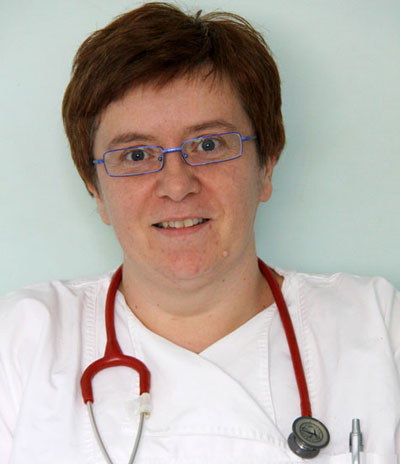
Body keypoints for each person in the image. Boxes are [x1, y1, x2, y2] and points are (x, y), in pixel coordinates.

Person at [0, 3, 399, 463]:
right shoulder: (22, 341)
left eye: (208, 145)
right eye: (136, 155)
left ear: (266, 166)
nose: (176, 185)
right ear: (95, 189)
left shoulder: (376, 328)